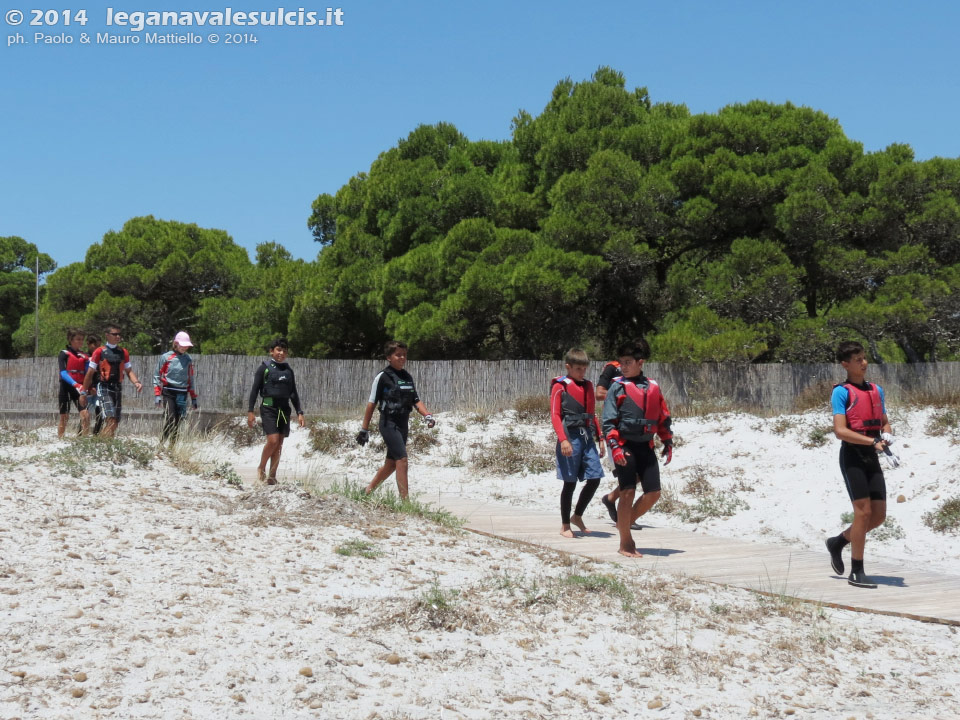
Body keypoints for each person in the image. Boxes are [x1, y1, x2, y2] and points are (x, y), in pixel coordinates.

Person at [824, 340, 896, 589]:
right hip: (852, 456)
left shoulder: (876, 390)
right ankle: (857, 571)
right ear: (845, 365)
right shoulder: (841, 392)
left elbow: (884, 422)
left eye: (864, 358)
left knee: (877, 517)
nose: (864, 363)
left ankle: (838, 542)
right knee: (862, 513)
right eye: (858, 360)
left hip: (873, 455)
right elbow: (840, 431)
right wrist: (871, 441)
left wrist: (886, 434)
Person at [600, 339, 673, 558]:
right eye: (621, 362)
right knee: (628, 491)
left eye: (628, 362)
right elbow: (608, 422)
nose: (623, 366)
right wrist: (615, 447)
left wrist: (667, 441)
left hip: (646, 446)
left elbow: (663, 416)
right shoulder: (617, 387)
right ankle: (626, 542)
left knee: (653, 493)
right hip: (624, 445)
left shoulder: (653, 386)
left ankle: (625, 523)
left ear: (640, 362)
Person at [356, 340, 435, 501]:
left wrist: (427, 415)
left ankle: (367, 492)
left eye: (404, 355)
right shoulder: (382, 377)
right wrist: (364, 429)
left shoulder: (407, 377)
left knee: (391, 464)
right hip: (388, 423)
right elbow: (371, 404)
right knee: (402, 459)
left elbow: (416, 400)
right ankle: (405, 503)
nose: (402, 358)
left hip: (403, 423)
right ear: (388, 357)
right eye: (398, 355)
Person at [551, 348, 605, 538]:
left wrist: (601, 438)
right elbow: (555, 415)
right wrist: (563, 439)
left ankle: (578, 515)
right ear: (568, 367)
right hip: (569, 436)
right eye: (578, 369)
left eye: (584, 369)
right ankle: (565, 525)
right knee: (570, 482)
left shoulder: (589, 386)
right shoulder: (560, 386)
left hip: (587, 437)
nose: (582, 372)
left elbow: (592, 414)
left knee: (595, 478)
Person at [246, 337, 304, 484]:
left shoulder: (288, 370)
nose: (281, 353)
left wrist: (299, 412)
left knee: (279, 444)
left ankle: (272, 476)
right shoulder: (264, 368)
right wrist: (250, 411)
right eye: (278, 350)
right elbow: (254, 390)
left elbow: (293, 393)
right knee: (272, 441)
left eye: (284, 351)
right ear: (271, 351)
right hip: (268, 408)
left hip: (284, 409)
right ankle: (261, 467)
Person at [80, 325, 143, 438]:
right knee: (110, 418)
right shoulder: (99, 352)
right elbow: (90, 373)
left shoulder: (123, 352)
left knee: (115, 422)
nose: (118, 336)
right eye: (115, 334)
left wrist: (136, 382)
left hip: (117, 387)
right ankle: (102, 445)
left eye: (119, 334)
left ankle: (104, 443)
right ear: (107, 335)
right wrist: (83, 392)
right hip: (104, 387)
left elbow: (129, 371)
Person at [153, 331, 199, 445]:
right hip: (169, 391)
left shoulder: (188, 359)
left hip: (182, 393)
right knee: (170, 418)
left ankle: (172, 446)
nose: (184, 347)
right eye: (182, 345)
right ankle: (162, 443)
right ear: (176, 343)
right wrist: (157, 394)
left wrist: (193, 398)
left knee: (178, 421)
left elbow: (190, 378)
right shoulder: (166, 357)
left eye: (186, 345)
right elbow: (157, 375)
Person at [57, 329, 90, 438]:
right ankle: (60, 439)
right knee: (64, 416)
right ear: (71, 340)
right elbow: (63, 373)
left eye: (82, 339)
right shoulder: (64, 354)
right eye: (78, 339)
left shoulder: (85, 356)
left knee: (85, 414)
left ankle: (84, 440)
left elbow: (88, 373)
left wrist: (87, 387)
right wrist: (75, 384)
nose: (81, 342)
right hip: (66, 387)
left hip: (80, 388)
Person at [85, 334, 104, 435]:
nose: (98, 348)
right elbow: (84, 375)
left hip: (99, 388)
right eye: (95, 345)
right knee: (85, 414)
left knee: (100, 412)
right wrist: (89, 387)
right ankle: (82, 435)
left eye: (99, 345)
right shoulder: (85, 358)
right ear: (88, 344)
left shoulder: (102, 358)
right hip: (88, 389)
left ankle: (96, 435)